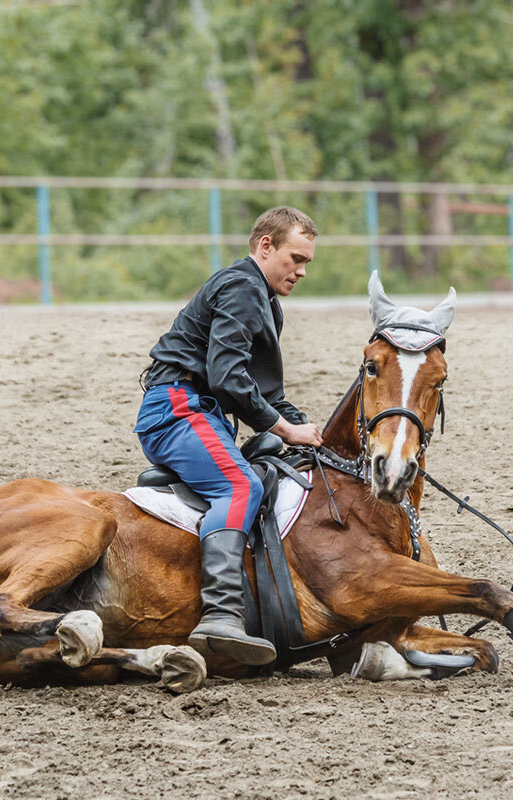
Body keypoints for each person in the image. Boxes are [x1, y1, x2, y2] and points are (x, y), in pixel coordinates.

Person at [134, 206, 324, 666]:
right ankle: (220, 615)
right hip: (179, 408)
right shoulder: (242, 286)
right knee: (241, 485)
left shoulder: (266, 302)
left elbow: (266, 394)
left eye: (307, 263)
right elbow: (227, 378)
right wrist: (283, 428)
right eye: (295, 258)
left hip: (206, 414)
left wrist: (316, 433)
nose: (300, 271)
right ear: (265, 246)